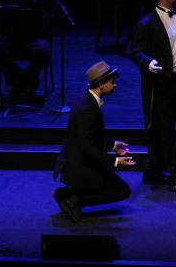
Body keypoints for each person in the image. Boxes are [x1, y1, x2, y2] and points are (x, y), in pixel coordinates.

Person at [129, 0, 176, 192]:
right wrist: (148, 62)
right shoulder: (147, 23)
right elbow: (135, 51)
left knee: (162, 126)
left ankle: (152, 169)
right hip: (160, 82)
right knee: (166, 128)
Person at [53, 61, 135, 222]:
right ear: (102, 84)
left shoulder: (86, 100)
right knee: (122, 190)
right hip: (80, 166)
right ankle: (75, 200)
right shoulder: (87, 110)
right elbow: (88, 148)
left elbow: (90, 136)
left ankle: (64, 194)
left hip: (79, 159)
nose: (115, 85)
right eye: (112, 82)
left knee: (114, 185)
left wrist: (113, 145)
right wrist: (116, 161)